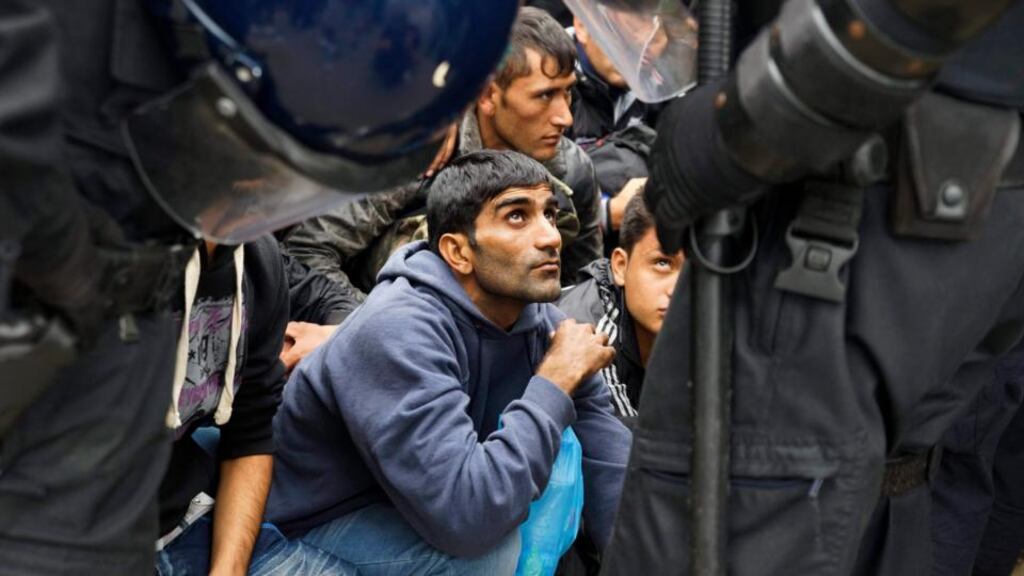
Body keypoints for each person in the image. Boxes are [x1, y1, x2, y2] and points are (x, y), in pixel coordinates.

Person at [0, 0, 519, 573]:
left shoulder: (258, 266)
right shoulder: (85, 172)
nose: (259, 193)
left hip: (173, 512)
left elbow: (251, 431)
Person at [565, 0, 1024, 574]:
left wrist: (749, 120)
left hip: (845, 165)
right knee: (884, 490)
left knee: (740, 503)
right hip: (928, 165)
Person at [265, 150, 631, 575]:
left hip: (411, 505)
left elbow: (612, 470)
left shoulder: (541, 324)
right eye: (517, 216)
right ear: (458, 252)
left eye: (549, 214)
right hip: (307, 524)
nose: (550, 236)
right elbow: (468, 520)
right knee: (489, 559)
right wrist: (554, 379)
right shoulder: (399, 328)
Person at [286, 6, 604, 296]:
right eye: (545, 96)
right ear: (487, 95)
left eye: (568, 92)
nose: (566, 117)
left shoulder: (573, 173)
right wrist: (373, 329)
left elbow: (583, 292)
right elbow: (309, 253)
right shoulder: (419, 150)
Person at [558, 192, 684, 425]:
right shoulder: (590, 330)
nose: (678, 289)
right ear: (620, 266)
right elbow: (626, 448)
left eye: (696, 272)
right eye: (662, 263)